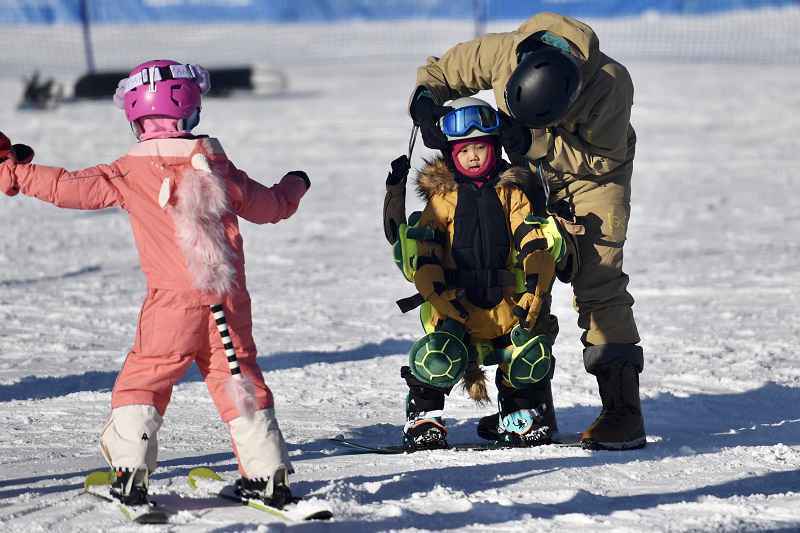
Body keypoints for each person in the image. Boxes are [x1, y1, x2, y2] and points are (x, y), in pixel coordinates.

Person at [0, 59, 311, 507]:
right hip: (227, 300)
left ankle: (130, 474)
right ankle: (267, 476)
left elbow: (66, 187)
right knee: (238, 377)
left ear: (136, 118)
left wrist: (12, 170)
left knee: (145, 380)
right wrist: (294, 185)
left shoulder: (127, 172)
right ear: (192, 112)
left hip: (173, 305)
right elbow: (270, 207)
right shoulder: (218, 167)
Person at [398, 12, 646, 450]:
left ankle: (622, 412)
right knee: (524, 277)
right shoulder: (501, 51)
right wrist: (425, 101)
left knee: (598, 283)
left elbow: (604, 159)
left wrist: (532, 142)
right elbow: (437, 72)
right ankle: (529, 406)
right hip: (521, 172)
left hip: (592, 180)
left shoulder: (611, 83)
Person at [386, 97, 565, 450]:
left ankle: (523, 416)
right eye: (464, 150)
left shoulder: (512, 193)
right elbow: (426, 250)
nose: (472, 156)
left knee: (528, 353)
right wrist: (434, 289)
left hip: (506, 306)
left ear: (494, 149)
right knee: (439, 355)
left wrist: (536, 283)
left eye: (479, 148)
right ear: (452, 154)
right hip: (456, 306)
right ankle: (424, 419)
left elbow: (532, 239)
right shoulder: (442, 200)